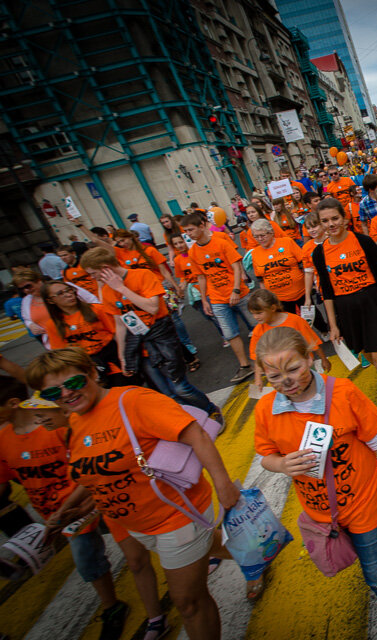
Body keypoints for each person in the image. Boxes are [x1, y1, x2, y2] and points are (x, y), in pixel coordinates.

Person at [26, 348, 240, 640]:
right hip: (136, 525)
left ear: (91, 373)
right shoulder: (75, 421)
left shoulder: (133, 401)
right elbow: (95, 473)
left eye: (73, 383)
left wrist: (223, 484)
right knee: (208, 547)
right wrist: (67, 511)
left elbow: (196, 434)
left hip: (176, 515)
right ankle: (254, 551)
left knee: (187, 602)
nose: (66, 394)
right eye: (53, 392)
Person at [252, 326, 377, 640]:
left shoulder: (344, 393)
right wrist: (281, 464)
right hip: (320, 513)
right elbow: (265, 454)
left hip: (364, 507)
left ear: (311, 358)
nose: (286, 381)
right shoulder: (265, 409)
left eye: (293, 369)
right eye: (274, 377)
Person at [0, 378, 131, 639]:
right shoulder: (3, 439)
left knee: (101, 554)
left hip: (90, 503)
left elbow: (87, 460)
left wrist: (86, 501)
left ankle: (113, 607)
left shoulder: (55, 427)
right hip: (58, 516)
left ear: (14, 404)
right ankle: (113, 604)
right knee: (93, 558)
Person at [311, 197, 377, 436]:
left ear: (345, 218)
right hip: (347, 313)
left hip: (374, 305)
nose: (331, 224)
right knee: (374, 360)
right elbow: (327, 291)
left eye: (335, 218)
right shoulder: (319, 253)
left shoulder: (363, 242)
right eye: (325, 221)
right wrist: (333, 325)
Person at [79, 247, 217, 415]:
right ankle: (195, 418)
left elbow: (152, 307)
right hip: (140, 346)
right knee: (168, 394)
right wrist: (123, 355)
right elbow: (120, 324)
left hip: (162, 338)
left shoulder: (142, 275)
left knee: (179, 387)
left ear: (105, 268)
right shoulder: (107, 291)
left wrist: (122, 289)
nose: (92, 278)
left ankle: (210, 410)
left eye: (93, 273)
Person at [179, 211, 255, 384]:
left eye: (190, 230)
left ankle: (272, 355)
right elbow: (201, 277)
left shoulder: (220, 243)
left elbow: (236, 267)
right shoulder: (193, 253)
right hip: (217, 299)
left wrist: (236, 290)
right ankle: (245, 366)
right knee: (230, 333)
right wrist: (205, 300)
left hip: (239, 294)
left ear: (202, 226)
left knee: (258, 324)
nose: (188, 234)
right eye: (186, 231)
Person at [38, 281, 124, 387]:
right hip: (85, 365)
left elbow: (116, 333)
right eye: (60, 293)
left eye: (69, 290)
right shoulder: (52, 324)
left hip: (111, 357)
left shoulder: (96, 309)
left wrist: (123, 357)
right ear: (50, 300)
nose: (68, 294)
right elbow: (60, 353)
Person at [247, 288, 328, 388]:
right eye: (253, 314)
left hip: (301, 366)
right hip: (279, 373)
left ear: (272, 308)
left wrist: (324, 359)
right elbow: (257, 357)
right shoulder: (258, 331)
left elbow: (312, 343)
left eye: (259, 313)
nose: (255, 317)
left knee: (310, 387)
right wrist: (258, 378)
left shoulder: (295, 321)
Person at [13, 268, 97, 346]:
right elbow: (26, 318)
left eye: (28, 286)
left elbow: (92, 300)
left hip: (87, 335)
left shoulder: (63, 287)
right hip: (56, 343)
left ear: (38, 280)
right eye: (21, 289)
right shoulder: (26, 301)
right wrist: (31, 325)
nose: (26, 290)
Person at [249, 218, 311, 315]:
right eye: (256, 236)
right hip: (279, 300)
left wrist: (310, 290)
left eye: (262, 235)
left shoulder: (287, 242)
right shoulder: (255, 253)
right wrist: (267, 300)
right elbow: (261, 280)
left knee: (315, 321)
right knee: (291, 326)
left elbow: (305, 266)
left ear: (271, 232)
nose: (260, 239)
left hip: (301, 294)